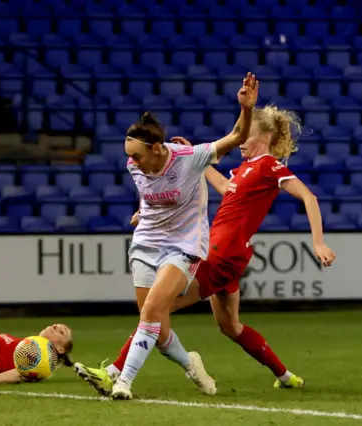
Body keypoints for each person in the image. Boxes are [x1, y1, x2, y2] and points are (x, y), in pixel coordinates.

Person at [74, 104, 336, 397]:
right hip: (227, 255)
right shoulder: (245, 170)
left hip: (219, 255)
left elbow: (309, 197)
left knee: (155, 309)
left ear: (264, 136)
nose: (241, 144)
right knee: (230, 326)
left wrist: (318, 242)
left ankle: (114, 373)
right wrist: (198, 163)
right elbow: (226, 189)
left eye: (245, 137)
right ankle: (285, 376)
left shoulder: (268, 166)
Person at [75, 74, 260, 400]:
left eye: (137, 157)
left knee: (150, 313)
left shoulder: (191, 158)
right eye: (129, 156)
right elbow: (150, 194)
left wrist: (246, 109)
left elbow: (235, 136)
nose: (132, 163)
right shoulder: (136, 167)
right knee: (158, 329)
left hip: (184, 245)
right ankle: (191, 364)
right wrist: (141, 212)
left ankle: (122, 382)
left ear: (158, 148)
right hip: (145, 244)